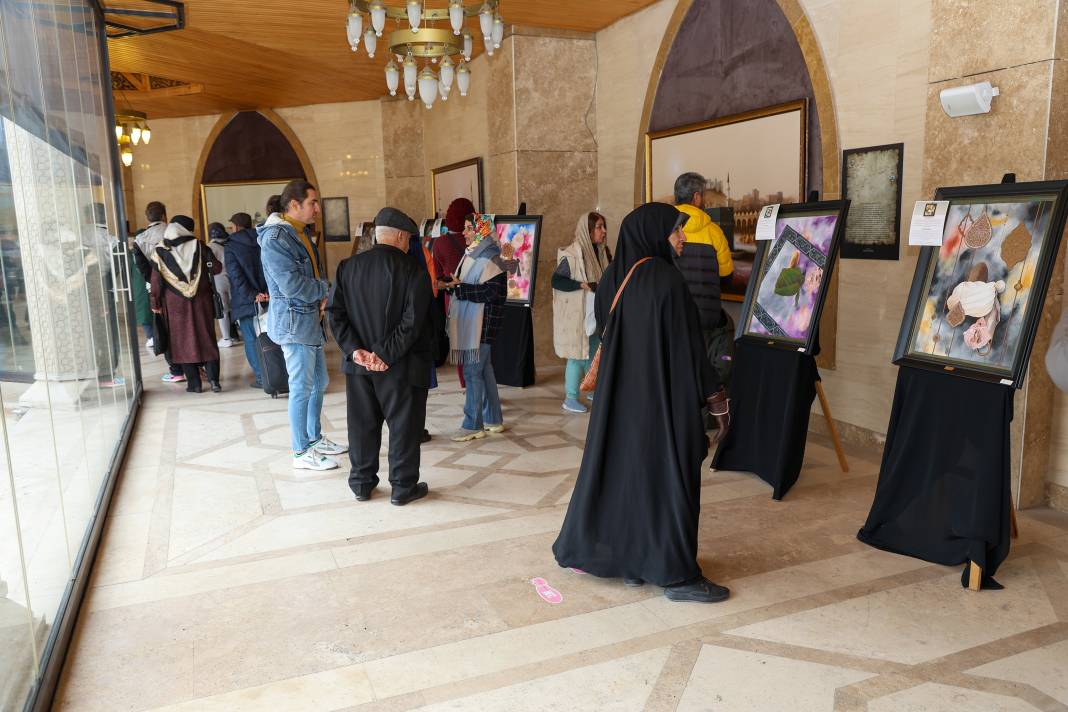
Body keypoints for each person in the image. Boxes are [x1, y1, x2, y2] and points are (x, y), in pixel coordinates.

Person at [552, 203, 732, 604]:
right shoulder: (666, 280)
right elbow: (689, 349)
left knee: (628, 480)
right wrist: (715, 397)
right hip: (663, 402)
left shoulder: (614, 277)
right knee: (670, 481)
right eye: (676, 232)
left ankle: (633, 563)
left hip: (619, 405)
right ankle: (677, 576)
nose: (682, 238)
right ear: (653, 234)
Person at [327, 208, 434, 505]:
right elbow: (413, 323)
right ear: (400, 236)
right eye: (409, 238)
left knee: (362, 425)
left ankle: (361, 484)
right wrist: (384, 354)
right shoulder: (414, 271)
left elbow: (334, 314)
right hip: (402, 365)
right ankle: (402, 488)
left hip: (359, 365)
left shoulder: (347, 267)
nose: (409, 243)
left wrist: (356, 351)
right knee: (404, 426)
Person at [259, 179, 347, 471]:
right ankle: (300, 452)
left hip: (310, 321)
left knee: (318, 383)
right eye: (312, 203)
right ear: (294, 205)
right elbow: (292, 284)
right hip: (295, 324)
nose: (318, 209)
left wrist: (320, 293)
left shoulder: (298, 233)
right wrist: (325, 290)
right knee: (300, 387)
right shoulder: (275, 239)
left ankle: (314, 438)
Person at [440, 214, 507, 442]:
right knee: (484, 370)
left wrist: (459, 290)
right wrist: (453, 285)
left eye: (470, 229)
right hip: (477, 324)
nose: (465, 233)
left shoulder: (492, 257)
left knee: (472, 372)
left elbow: (491, 293)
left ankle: (472, 425)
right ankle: (493, 419)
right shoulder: (473, 254)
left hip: (483, 326)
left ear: (482, 231)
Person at [674, 172, 736, 392]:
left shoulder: (666, 229)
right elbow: (726, 273)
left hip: (674, 316)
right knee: (705, 370)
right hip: (705, 316)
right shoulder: (713, 231)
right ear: (697, 197)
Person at [149, 216, 223, 394]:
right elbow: (217, 268)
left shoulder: (160, 250)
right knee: (206, 338)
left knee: (181, 342)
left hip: (175, 305)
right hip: (202, 301)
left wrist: (155, 302)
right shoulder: (199, 245)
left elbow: (156, 281)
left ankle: (195, 384)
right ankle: (214, 381)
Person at [552, 211, 612, 414]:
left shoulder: (603, 252)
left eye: (604, 227)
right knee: (577, 355)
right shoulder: (571, 254)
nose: (603, 231)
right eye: (599, 227)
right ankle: (570, 398)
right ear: (587, 230)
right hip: (578, 315)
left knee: (594, 352)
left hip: (595, 314)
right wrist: (581, 285)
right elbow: (557, 281)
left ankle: (592, 389)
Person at [132, 200, 186, 383]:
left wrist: (152, 281)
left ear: (147, 217)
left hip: (156, 288)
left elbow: (142, 267)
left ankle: (176, 370)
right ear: (164, 215)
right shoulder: (173, 231)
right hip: (180, 285)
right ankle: (192, 366)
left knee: (164, 328)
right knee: (184, 325)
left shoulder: (139, 240)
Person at [433, 197, 475, 389]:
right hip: (478, 296)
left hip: (454, 298)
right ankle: (478, 384)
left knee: (459, 343)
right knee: (477, 342)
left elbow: (438, 277)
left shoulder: (440, 243)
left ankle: (465, 384)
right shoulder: (478, 240)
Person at [225, 212, 268, 389]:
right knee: (271, 337)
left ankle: (261, 377)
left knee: (250, 339)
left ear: (235, 226)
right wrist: (266, 292)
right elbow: (270, 267)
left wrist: (252, 295)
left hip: (246, 301)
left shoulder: (231, 245)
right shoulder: (262, 239)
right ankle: (275, 374)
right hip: (268, 298)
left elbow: (236, 276)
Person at [207, 222, 234, 348]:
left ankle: (227, 337)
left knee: (222, 309)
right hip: (233, 278)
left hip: (218, 279)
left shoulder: (211, 246)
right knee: (235, 306)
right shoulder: (230, 243)